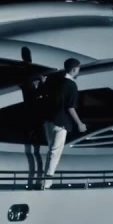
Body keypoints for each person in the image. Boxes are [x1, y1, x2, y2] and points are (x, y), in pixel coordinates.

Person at [42, 58, 86, 189]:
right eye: (78, 69)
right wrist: (80, 123)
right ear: (74, 69)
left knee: (51, 151)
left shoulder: (57, 80)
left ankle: (44, 180)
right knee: (55, 154)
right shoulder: (71, 85)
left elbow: (45, 93)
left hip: (49, 120)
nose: (78, 72)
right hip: (61, 123)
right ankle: (47, 183)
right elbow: (70, 107)